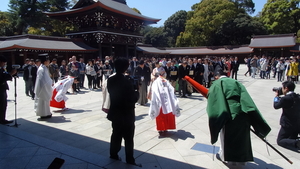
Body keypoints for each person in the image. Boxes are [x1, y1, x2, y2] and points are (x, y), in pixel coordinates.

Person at [206, 68, 271, 165]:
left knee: (227, 137)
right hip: (243, 113)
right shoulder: (236, 82)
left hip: (228, 114)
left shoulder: (217, 84)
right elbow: (246, 99)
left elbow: (215, 102)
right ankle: (242, 161)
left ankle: (226, 158)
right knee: (242, 138)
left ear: (216, 77)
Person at [107, 57, 140, 166]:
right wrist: (137, 91)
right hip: (126, 114)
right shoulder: (128, 82)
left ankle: (113, 154)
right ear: (126, 67)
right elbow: (133, 99)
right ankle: (130, 159)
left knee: (116, 134)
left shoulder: (110, 79)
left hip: (116, 112)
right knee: (128, 138)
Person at [148, 67, 180, 133]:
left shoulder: (156, 82)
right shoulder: (166, 81)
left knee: (160, 115)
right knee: (167, 114)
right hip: (168, 100)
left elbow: (154, 91)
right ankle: (166, 128)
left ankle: (161, 128)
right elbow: (172, 90)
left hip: (160, 100)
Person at [273, 81, 300, 151]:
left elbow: (276, 106)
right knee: (290, 138)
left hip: (287, 124)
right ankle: (296, 141)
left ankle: (297, 142)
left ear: (286, 89)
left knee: (280, 141)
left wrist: (276, 97)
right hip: (297, 125)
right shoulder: (298, 97)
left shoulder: (285, 99)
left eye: (282, 88)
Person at [34, 54, 53, 119]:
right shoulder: (42, 69)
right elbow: (42, 80)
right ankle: (43, 114)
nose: (49, 62)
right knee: (42, 101)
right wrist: (50, 82)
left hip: (44, 87)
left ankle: (47, 113)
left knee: (45, 102)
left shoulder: (44, 68)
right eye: (48, 60)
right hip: (42, 88)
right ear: (45, 61)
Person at [0, 56, 17, 124]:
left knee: (3, 104)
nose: (4, 64)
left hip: (3, 88)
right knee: (2, 104)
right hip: (0, 89)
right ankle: (1, 119)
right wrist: (10, 74)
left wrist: (11, 75)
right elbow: (1, 79)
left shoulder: (2, 69)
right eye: (4, 63)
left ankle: (2, 118)